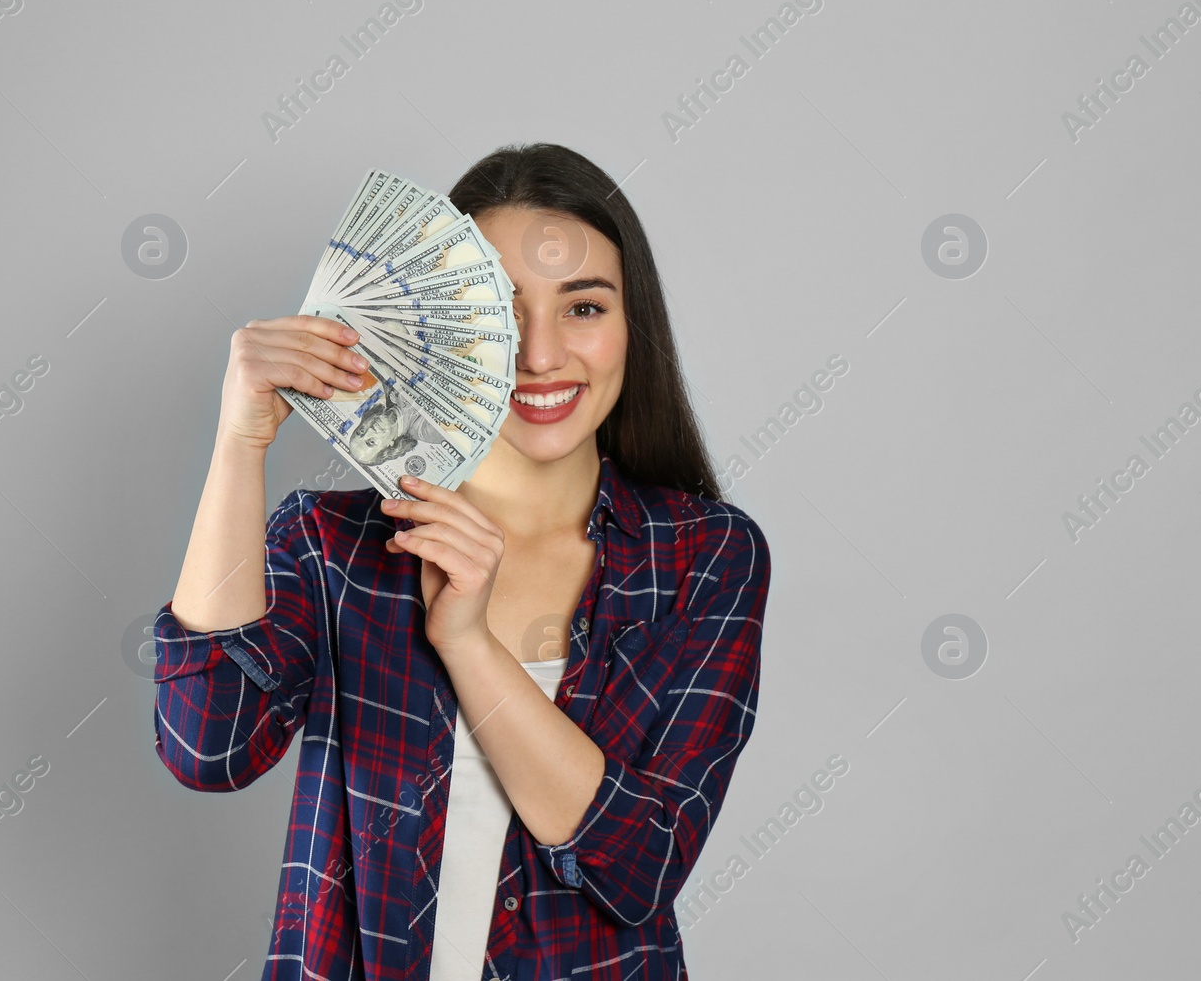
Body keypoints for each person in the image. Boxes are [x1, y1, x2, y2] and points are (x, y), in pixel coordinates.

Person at [151, 143, 771, 981]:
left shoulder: (708, 557)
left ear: (633, 325)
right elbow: (208, 748)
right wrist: (240, 441)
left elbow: (639, 867)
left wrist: (471, 642)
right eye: (504, 312)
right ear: (445, 325)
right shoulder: (334, 547)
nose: (540, 355)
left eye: (583, 308)